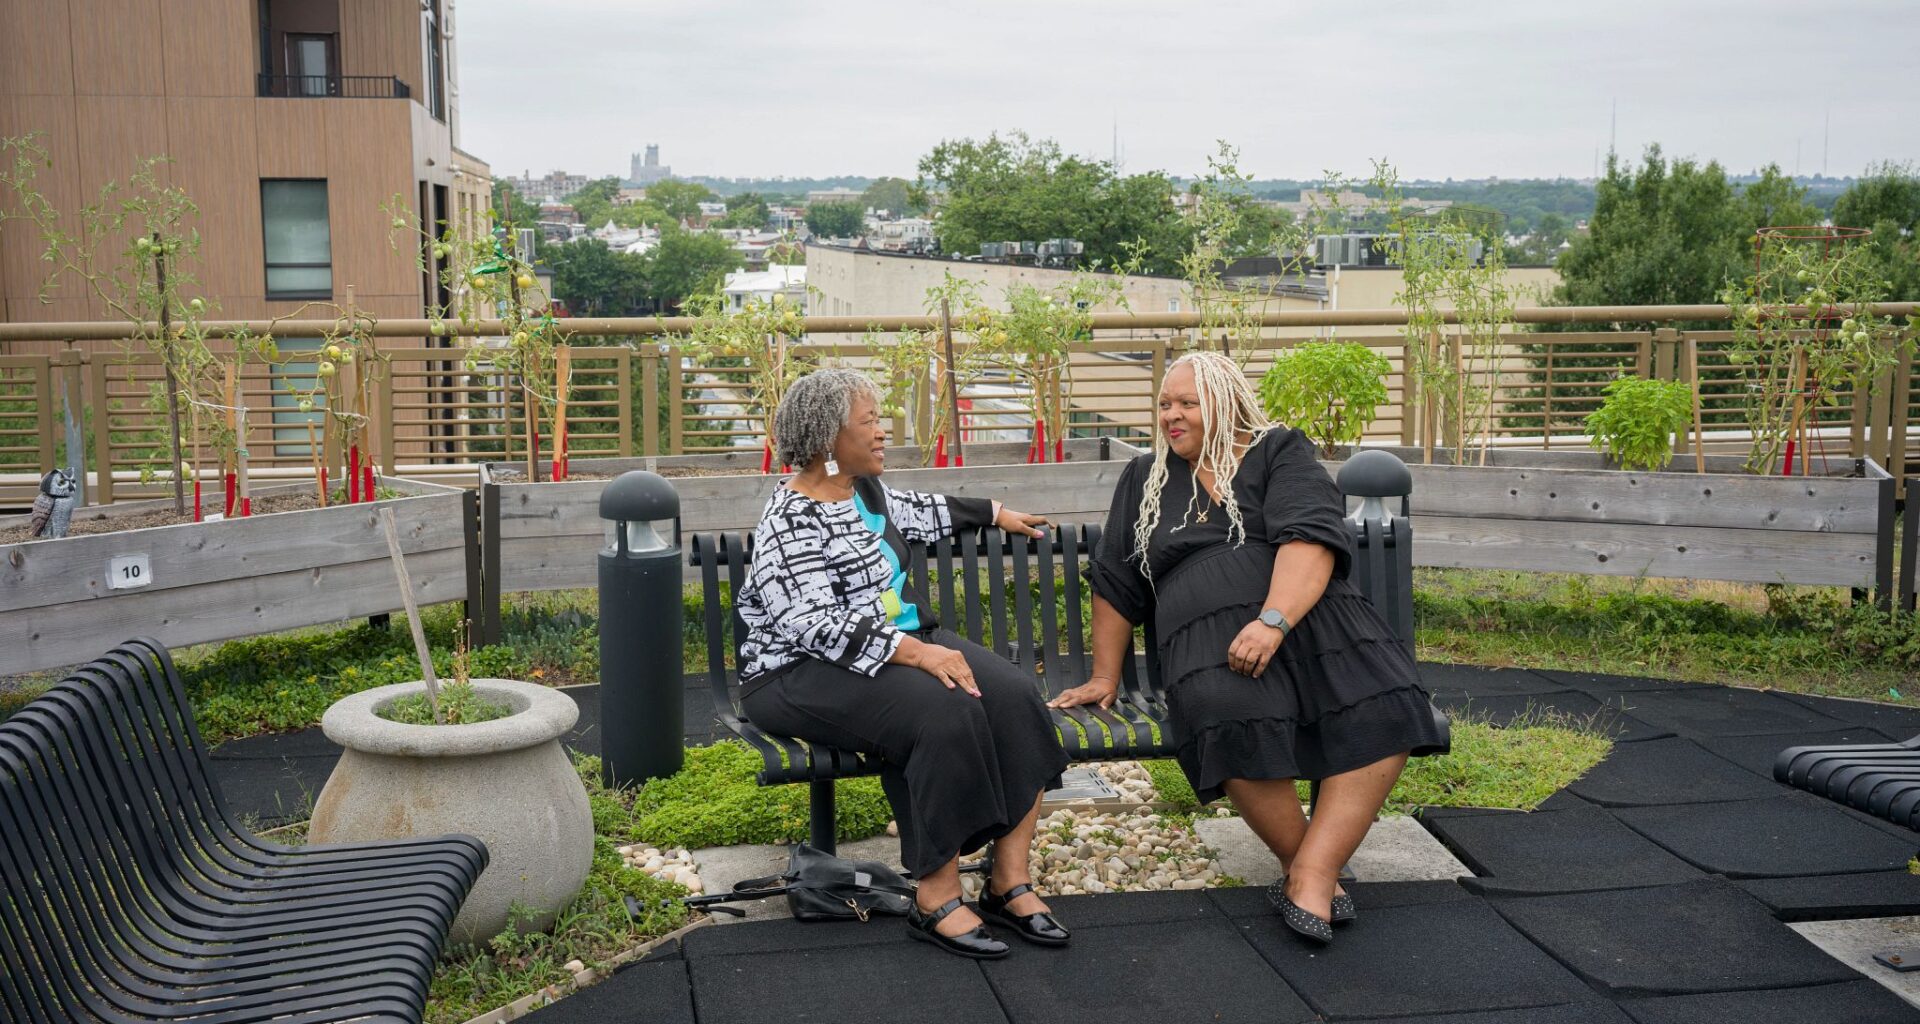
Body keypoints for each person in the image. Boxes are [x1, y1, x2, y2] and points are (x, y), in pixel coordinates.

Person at [1050, 351, 1448, 945]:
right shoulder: (1145, 477)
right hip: (1204, 632)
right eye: (1164, 404)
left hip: (1308, 615)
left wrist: (1272, 620)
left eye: (1186, 403)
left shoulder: (1277, 449)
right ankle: (1305, 865)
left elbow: (1310, 537)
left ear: (1225, 402)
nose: (1170, 416)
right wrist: (1107, 676)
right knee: (1223, 710)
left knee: (1387, 704)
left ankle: (1312, 872)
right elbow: (1116, 581)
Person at [734, 368, 1073, 960]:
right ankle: (935, 897)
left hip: (890, 648)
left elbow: (924, 510)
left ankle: (1007, 881)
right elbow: (810, 625)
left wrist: (995, 512)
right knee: (941, 713)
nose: (882, 431)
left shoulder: (865, 492)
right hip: (795, 671)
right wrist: (918, 652)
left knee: (1015, 697)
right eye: (869, 422)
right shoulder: (789, 519)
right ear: (827, 439)